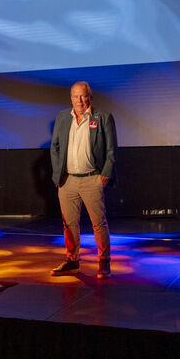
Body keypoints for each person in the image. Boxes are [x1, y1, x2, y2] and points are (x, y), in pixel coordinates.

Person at [50, 81, 117, 279]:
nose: (79, 100)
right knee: (69, 224)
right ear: (71, 98)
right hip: (67, 180)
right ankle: (72, 262)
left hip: (92, 179)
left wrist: (104, 175)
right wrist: (58, 174)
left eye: (83, 96)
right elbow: (55, 147)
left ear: (90, 97)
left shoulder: (102, 117)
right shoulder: (63, 117)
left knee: (98, 223)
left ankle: (104, 262)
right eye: (75, 96)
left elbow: (111, 150)